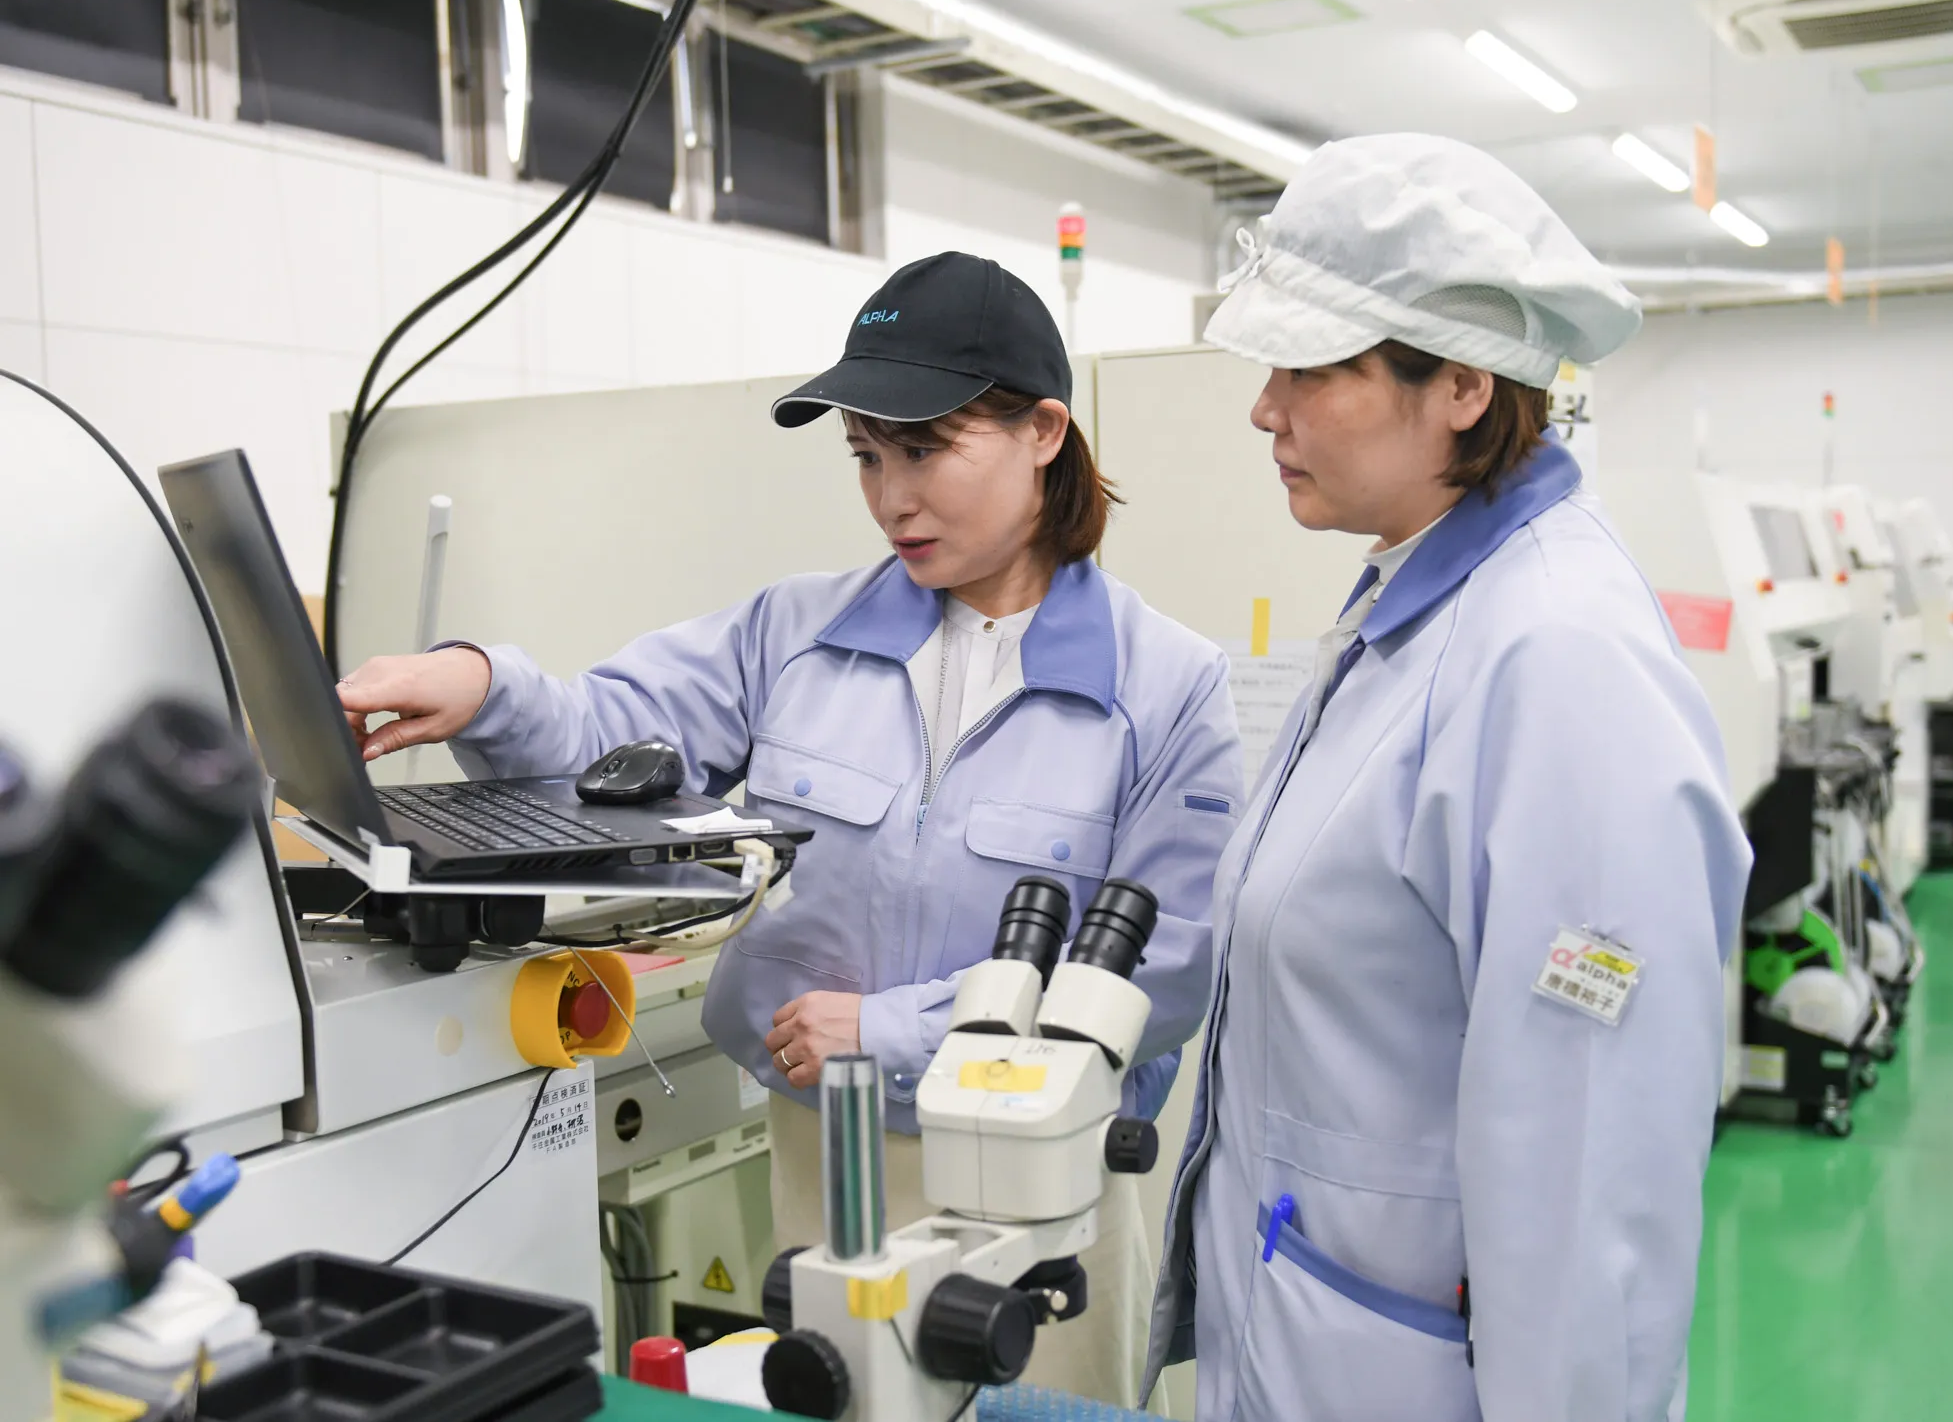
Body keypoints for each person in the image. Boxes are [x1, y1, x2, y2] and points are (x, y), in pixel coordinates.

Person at [334, 252, 1244, 1406]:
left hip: (1043, 1173)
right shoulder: (792, 635)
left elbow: (1167, 967)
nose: (890, 496)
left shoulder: (1165, 685)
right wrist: (480, 683)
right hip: (828, 1150)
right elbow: (608, 729)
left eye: (924, 449)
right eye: (867, 456)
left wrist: (896, 1031)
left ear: (1044, 431)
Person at [1140, 136, 1752, 1421]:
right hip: (1316, 1334)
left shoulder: (1558, 661)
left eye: (1308, 368)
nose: (1265, 408)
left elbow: (1593, 1176)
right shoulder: (1409, 605)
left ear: (1462, 388)